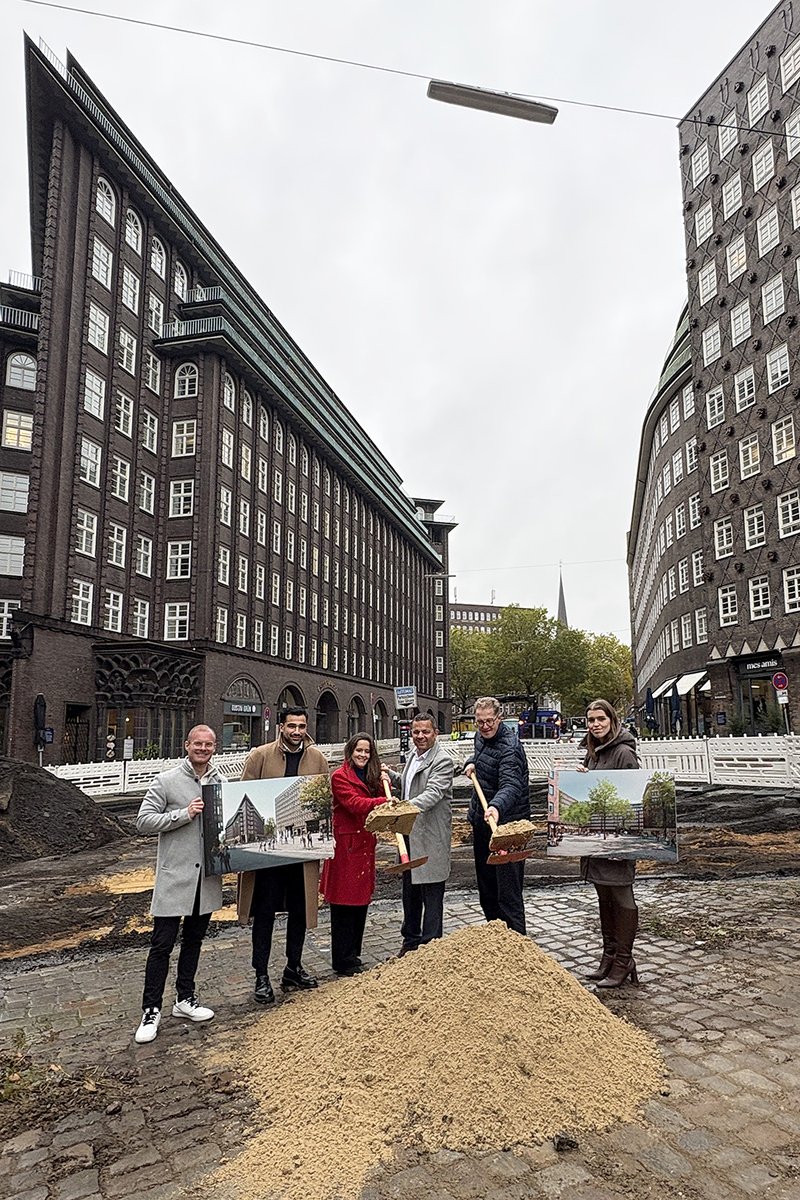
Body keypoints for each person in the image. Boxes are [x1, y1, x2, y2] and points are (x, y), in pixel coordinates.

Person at [134, 725, 222, 1044]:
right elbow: (143, 821)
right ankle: (151, 1009)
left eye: (208, 744)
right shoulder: (166, 781)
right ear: (187, 745)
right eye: (197, 743)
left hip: (206, 878)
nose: (202, 748)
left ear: (215, 747)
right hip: (175, 876)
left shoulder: (220, 782)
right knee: (161, 945)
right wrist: (183, 814)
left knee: (194, 941)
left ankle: (185, 999)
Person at [239, 707, 329, 1003]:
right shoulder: (260, 756)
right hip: (269, 855)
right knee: (264, 911)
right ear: (281, 727)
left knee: (300, 910)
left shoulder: (317, 759)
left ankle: (293, 967)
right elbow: (244, 798)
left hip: (302, 851)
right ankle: (261, 974)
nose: (297, 732)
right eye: (291, 726)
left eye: (302, 726)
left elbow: (322, 802)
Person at [579, 699, 640, 989]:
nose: (595, 724)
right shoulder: (592, 754)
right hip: (596, 838)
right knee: (604, 897)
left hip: (618, 838)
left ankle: (624, 960)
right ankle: (610, 955)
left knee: (622, 898)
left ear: (612, 720)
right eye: (591, 720)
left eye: (600, 719)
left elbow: (632, 795)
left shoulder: (624, 753)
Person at [320, 733, 388, 975]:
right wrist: (383, 801)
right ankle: (342, 959)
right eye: (359, 751)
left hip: (364, 844)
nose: (363, 755)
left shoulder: (370, 775)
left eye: (367, 751)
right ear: (350, 752)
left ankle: (354, 955)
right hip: (346, 847)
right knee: (344, 904)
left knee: (360, 903)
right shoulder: (339, 777)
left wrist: (384, 780)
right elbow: (355, 803)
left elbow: (380, 792)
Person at [386, 714, 454, 954]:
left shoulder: (442, 761)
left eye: (425, 732)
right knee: (410, 891)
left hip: (430, 836)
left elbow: (433, 793)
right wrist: (392, 776)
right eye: (416, 732)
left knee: (432, 893)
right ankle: (411, 940)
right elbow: (408, 785)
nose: (420, 736)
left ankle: (430, 946)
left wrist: (405, 808)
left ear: (435, 732)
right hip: (409, 834)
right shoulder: (413, 756)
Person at [464, 696, 530, 935]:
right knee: (487, 889)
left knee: (508, 893)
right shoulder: (480, 738)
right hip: (483, 822)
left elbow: (511, 785)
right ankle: (496, 940)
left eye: (489, 721)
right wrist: (472, 762)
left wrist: (496, 807)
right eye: (480, 722)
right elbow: (483, 759)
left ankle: (517, 943)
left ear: (499, 719)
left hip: (507, 826)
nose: (485, 726)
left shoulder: (510, 748)